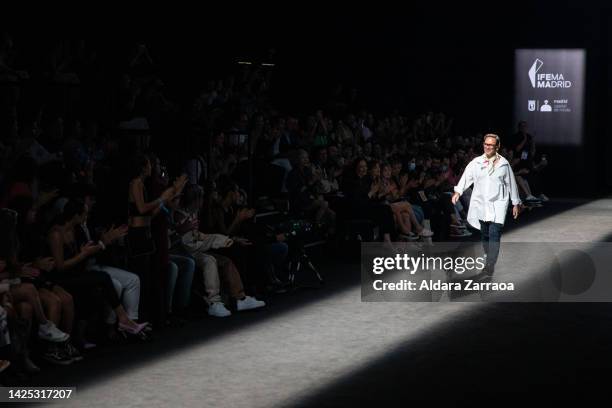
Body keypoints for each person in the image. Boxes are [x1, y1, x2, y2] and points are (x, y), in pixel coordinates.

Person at [451, 134, 522, 279]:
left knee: (494, 234)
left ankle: (489, 266)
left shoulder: (504, 163)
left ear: (497, 147)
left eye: (491, 145)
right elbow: (466, 177)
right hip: (481, 204)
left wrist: (515, 202)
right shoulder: (476, 162)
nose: (488, 147)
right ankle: (488, 257)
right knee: (485, 236)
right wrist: (458, 191)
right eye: (486, 144)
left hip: (499, 204)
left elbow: (511, 183)